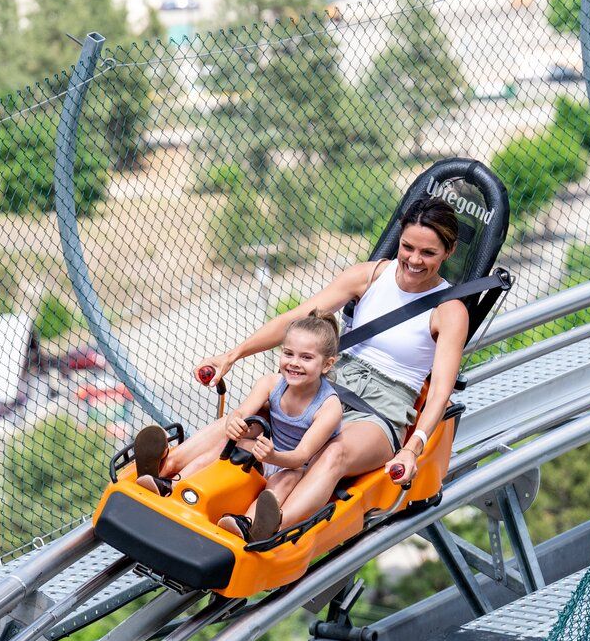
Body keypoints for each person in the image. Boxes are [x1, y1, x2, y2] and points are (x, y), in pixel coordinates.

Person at [168, 202, 473, 538]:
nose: (414, 260)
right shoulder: (368, 276)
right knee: (256, 411)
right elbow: (296, 320)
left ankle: (266, 525)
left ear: (449, 251)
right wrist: (232, 355)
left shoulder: (450, 310)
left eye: (428, 252)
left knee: (333, 451)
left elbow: (441, 390)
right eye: (408, 247)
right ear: (399, 240)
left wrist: (412, 448)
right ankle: (170, 469)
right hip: (332, 383)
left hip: (381, 409)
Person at [175, 315, 347, 543]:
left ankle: (248, 523)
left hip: (291, 465)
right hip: (264, 452)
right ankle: (175, 483)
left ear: (327, 364)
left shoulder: (328, 406)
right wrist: (234, 422)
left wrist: (273, 456)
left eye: (306, 357)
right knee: (226, 448)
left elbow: (301, 456)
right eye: (288, 354)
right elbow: (241, 413)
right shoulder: (271, 383)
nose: (294, 362)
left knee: (284, 481)